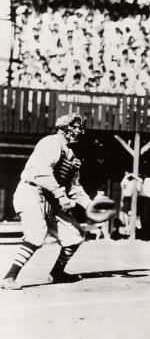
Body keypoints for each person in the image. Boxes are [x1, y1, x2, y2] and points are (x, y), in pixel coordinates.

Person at [1, 113, 92, 290]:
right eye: (77, 127)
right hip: (32, 191)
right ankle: (9, 277)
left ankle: (57, 273)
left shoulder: (71, 153)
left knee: (75, 236)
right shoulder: (51, 142)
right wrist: (61, 195)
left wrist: (90, 205)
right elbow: (41, 173)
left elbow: (74, 186)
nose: (80, 131)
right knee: (36, 235)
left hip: (51, 197)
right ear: (66, 128)